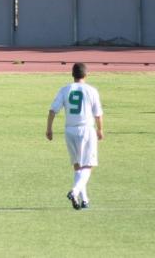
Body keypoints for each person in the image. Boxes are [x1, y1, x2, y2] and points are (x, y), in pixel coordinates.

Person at [46, 62, 104, 210]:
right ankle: (75, 191)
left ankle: (84, 200)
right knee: (88, 165)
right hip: (86, 130)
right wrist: (100, 129)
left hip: (70, 131)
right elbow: (98, 114)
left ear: (72, 74)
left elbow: (52, 110)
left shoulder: (65, 89)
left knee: (78, 166)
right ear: (86, 74)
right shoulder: (91, 90)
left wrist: (49, 129)